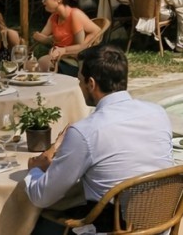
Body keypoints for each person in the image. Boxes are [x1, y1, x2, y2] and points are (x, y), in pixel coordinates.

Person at [25, 45, 175, 228]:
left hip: (114, 229)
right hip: (161, 224)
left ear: (91, 84)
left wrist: (35, 169)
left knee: (42, 224)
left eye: (79, 80)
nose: (79, 85)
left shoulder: (85, 131)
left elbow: (42, 196)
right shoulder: (158, 113)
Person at [33, 0, 102, 73]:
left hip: (72, 63)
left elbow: (81, 46)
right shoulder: (54, 17)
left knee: (41, 64)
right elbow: (41, 37)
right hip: (58, 59)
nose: (43, 1)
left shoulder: (74, 15)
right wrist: (47, 39)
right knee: (32, 65)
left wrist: (63, 50)